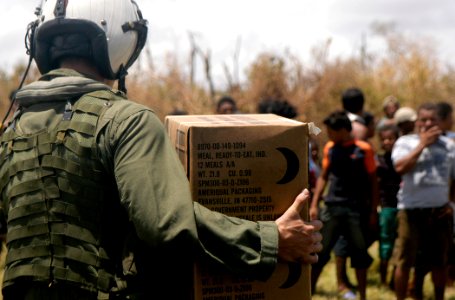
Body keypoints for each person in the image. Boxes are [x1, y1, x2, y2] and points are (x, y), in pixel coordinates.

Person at [0, 1, 323, 299]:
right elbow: (166, 224)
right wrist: (270, 240)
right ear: (122, 40)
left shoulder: (12, 129)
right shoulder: (126, 119)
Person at [310, 110, 378, 300]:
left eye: (331, 131)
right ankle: (310, 291)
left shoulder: (364, 149)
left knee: (359, 253)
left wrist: (373, 210)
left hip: (356, 210)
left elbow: (373, 181)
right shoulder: (330, 148)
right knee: (319, 252)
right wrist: (315, 204)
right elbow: (324, 176)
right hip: (332, 207)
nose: (328, 134)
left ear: (342, 130)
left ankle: (362, 295)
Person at [391, 102, 455, 300]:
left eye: (432, 119)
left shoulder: (450, 146)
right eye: (423, 119)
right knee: (404, 261)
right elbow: (400, 168)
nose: (427, 123)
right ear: (417, 122)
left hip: (439, 211)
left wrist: (450, 205)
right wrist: (422, 145)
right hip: (410, 210)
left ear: (439, 122)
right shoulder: (405, 142)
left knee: (439, 262)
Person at [376, 124, 401, 286]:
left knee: (401, 244)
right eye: (383, 139)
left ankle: (395, 278)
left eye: (390, 138)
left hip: (404, 206)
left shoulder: (404, 160)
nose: (387, 142)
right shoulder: (379, 162)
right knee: (385, 243)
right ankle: (383, 279)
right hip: (387, 207)